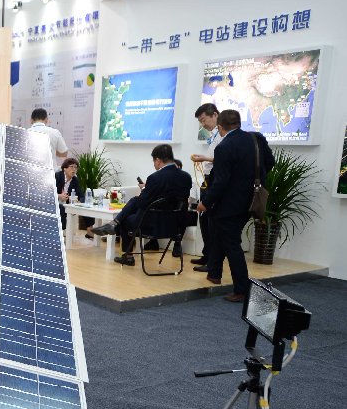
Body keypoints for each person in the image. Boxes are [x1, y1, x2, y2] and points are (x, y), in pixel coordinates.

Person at [197, 109, 274, 302]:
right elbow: (270, 163)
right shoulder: (255, 139)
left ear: (220, 127)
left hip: (228, 204)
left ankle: (242, 289)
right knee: (219, 234)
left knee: (232, 244)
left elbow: (221, 181)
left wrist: (205, 202)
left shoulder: (224, 147)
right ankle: (214, 273)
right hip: (250, 200)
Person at [90, 144, 192, 266]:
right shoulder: (186, 177)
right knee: (134, 204)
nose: (154, 164)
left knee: (128, 217)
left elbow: (143, 202)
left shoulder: (155, 178)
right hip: (175, 226)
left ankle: (124, 247)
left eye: (153, 161)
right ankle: (114, 224)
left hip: (152, 225)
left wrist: (144, 190)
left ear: (158, 160)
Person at [190, 103, 221, 269]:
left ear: (215, 115)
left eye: (204, 120)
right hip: (207, 179)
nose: (203, 124)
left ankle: (212, 261)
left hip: (214, 180)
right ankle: (207, 255)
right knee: (203, 219)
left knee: (210, 221)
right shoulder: (214, 134)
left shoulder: (223, 134)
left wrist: (204, 158)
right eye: (200, 122)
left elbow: (224, 159)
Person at [55, 158, 84, 230]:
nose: (74, 169)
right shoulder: (57, 176)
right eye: (71, 167)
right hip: (54, 203)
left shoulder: (75, 180)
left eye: (76, 167)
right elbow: (47, 193)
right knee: (61, 208)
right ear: (64, 168)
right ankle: (62, 231)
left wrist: (78, 201)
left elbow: (81, 195)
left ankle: (90, 231)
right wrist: (58, 196)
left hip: (67, 205)